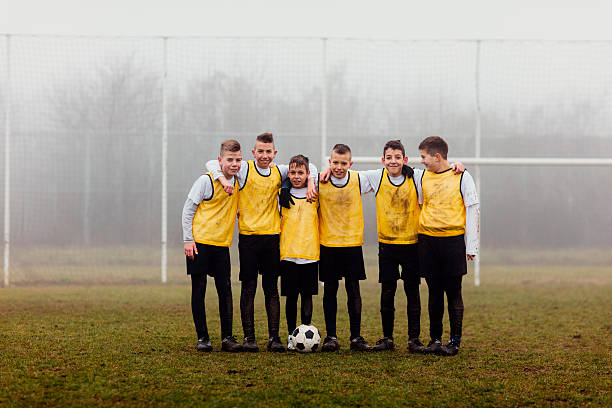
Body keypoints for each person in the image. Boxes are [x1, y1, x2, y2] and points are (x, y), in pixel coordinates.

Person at [319, 140, 463, 353]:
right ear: (383, 160)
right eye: (389, 157)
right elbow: (347, 174)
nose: (393, 161)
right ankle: (387, 338)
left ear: (404, 160)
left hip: (412, 244)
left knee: (412, 292)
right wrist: (325, 170)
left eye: (397, 157)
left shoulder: (417, 177)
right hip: (386, 246)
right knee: (387, 292)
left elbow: (440, 171)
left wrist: (457, 165)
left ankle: (414, 339)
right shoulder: (376, 177)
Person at [206, 133, 317, 352]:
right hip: (248, 239)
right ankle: (250, 338)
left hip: (272, 238)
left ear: (274, 154)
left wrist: (309, 181)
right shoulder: (245, 169)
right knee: (248, 288)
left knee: (271, 289)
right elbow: (212, 163)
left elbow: (308, 166)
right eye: (260, 151)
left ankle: (274, 338)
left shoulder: (279, 171)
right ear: (253, 152)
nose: (264, 155)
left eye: (268, 152)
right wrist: (220, 179)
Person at [416, 136, 479, 356]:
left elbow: (472, 209)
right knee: (434, 292)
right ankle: (435, 339)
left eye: (424, 157)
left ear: (437, 156)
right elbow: (395, 170)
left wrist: (471, 246)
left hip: (452, 242)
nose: (421, 161)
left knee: (453, 291)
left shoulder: (462, 176)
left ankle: (454, 341)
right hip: (428, 242)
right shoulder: (420, 175)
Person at [181, 139, 244, 352]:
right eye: (229, 160)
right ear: (220, 161)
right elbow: (188, 210)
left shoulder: (240, 180)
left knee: (225, 290)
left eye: (238, 160)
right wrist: (188, 239)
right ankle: (203, 338)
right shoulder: (205, 181)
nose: (234, 164)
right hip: (200, 243)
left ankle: (227, 338)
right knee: (199, 290)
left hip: (221, 245)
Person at [317, 143, 371, 351]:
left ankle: (356, 337)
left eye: (343, 163)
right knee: (330, 291)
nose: (339, 167)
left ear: (351, 163)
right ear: (330, 162)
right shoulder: (320, 181)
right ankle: (331, 337)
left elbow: (388, 174)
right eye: (335, 163)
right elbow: (295, 176)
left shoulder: (359, 179)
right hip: (328, 244)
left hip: (352, 244)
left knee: (353, 290)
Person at [277, 155, 320, 350]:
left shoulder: (315, 194)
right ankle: (290, 335)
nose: (296, 176)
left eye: (300, 172)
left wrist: (312, 181)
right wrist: (285, 187)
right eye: (292, 172)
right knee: (291, 297)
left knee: (307, 296)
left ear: (307, 174)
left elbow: (319, 172)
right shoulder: (282, 194)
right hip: (288, 254)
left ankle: (306, 328)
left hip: (310, 254)